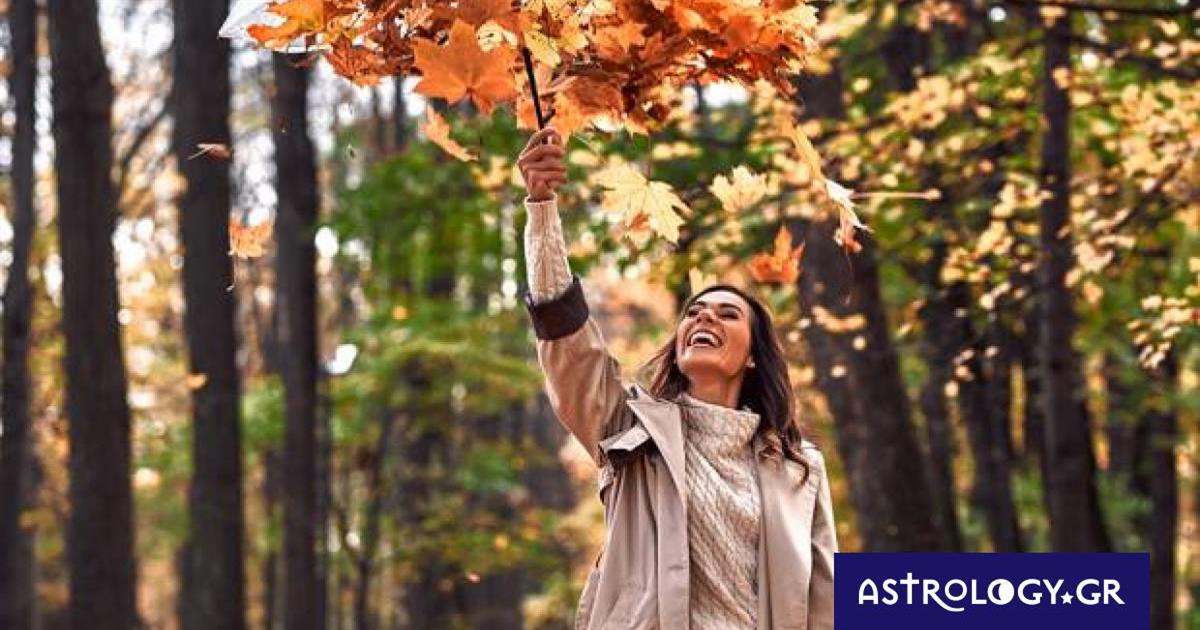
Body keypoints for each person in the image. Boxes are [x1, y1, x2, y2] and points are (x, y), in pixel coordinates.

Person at [517, 126, 836, 630]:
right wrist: (541, 208)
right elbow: (570, 346)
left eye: (727, 314)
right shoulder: (630, 431)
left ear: (753, 356)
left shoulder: (800, 468)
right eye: (695, 312)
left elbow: (825, 601)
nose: (705, 317)